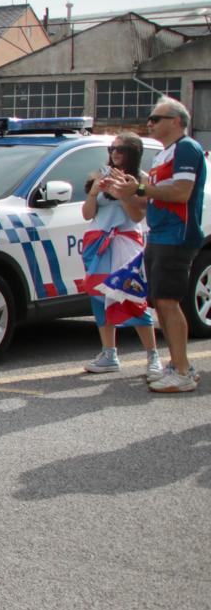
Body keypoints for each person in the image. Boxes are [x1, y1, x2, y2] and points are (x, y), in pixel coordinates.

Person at [112, 97, 205, 392]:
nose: (149, 123)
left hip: (177, 235)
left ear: (176, 121)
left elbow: (181, 192)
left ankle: (183, 371)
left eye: (155, 118)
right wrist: (123, 192)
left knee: (168, 302)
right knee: (160, 303)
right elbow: (147, 201)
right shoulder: (163, 155)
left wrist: (140, 187)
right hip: (158, 234)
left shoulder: (186, 148)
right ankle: (177, 364)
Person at [79, 133, 161, 376]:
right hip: (99, 243)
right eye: (112, 149)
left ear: (133, 153)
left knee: (131, 296)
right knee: (99, 297)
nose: (115, 153)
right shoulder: (101, 174)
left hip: (126, 243)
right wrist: (94, 191)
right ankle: (109, 353)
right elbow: (87, 214)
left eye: (121, 149)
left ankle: (153, 356)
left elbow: (137, 216)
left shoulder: (140, 180)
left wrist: (122, 194)